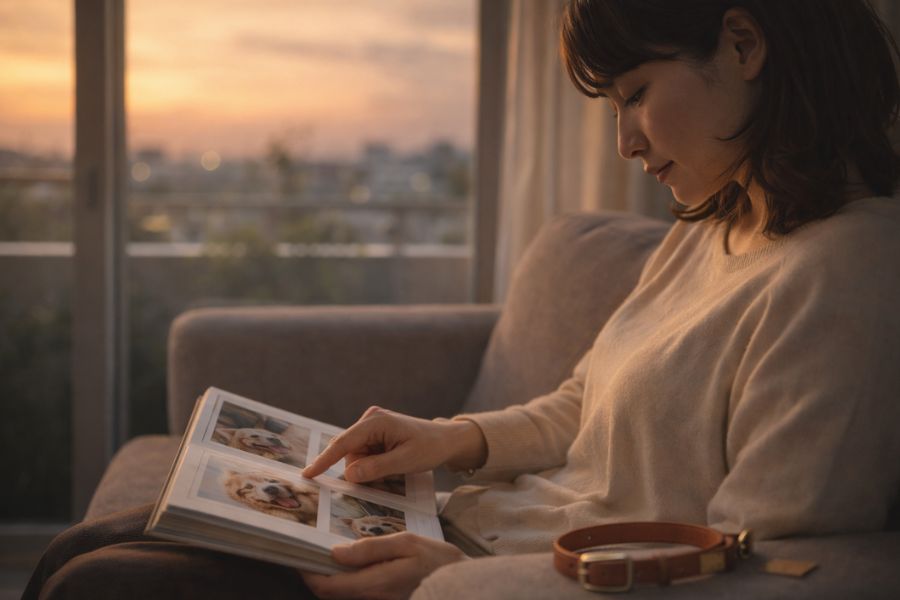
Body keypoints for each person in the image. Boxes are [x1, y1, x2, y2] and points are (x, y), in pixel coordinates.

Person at [26, 1, 900, 599]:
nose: (626, 142)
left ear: (743, 45)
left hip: (482, 575)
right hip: (461, 531)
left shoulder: (846, 271)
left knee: (97, 586)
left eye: (635, 94)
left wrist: (451, 582)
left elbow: (763, 561)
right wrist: (447, 438)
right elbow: (584, 401)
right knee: (87, 543)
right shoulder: (711, 225)